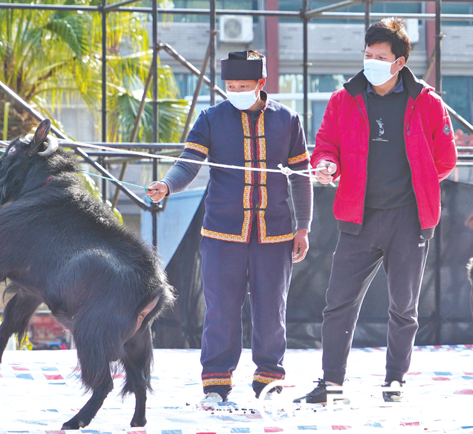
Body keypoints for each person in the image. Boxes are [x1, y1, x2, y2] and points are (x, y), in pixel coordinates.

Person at [294, 18, 457, 404]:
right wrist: (327, 165)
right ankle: (331, 384)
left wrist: (418, 183)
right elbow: (326, 145)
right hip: (357, 217)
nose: (371, 62)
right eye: (368, 55)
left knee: (404, 307)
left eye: (380, 57)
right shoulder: (343, 98)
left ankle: (394, 381)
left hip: (409, 219)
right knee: (338, 304)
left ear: (400, 62)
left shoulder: (428, 102)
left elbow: (446, 159)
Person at [146, 50, 313, 402]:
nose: (235, 91)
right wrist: (167, 185)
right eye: (231, 86)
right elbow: (188, 163)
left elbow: (301, 177)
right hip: (222, 233)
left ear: (260, 84)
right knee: (221, 310)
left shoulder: (288, 120)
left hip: (275, 234)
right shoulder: (211, 118)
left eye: (243, 85)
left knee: (271, 311)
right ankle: (216, 384)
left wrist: (304, 227)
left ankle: (269, 380)